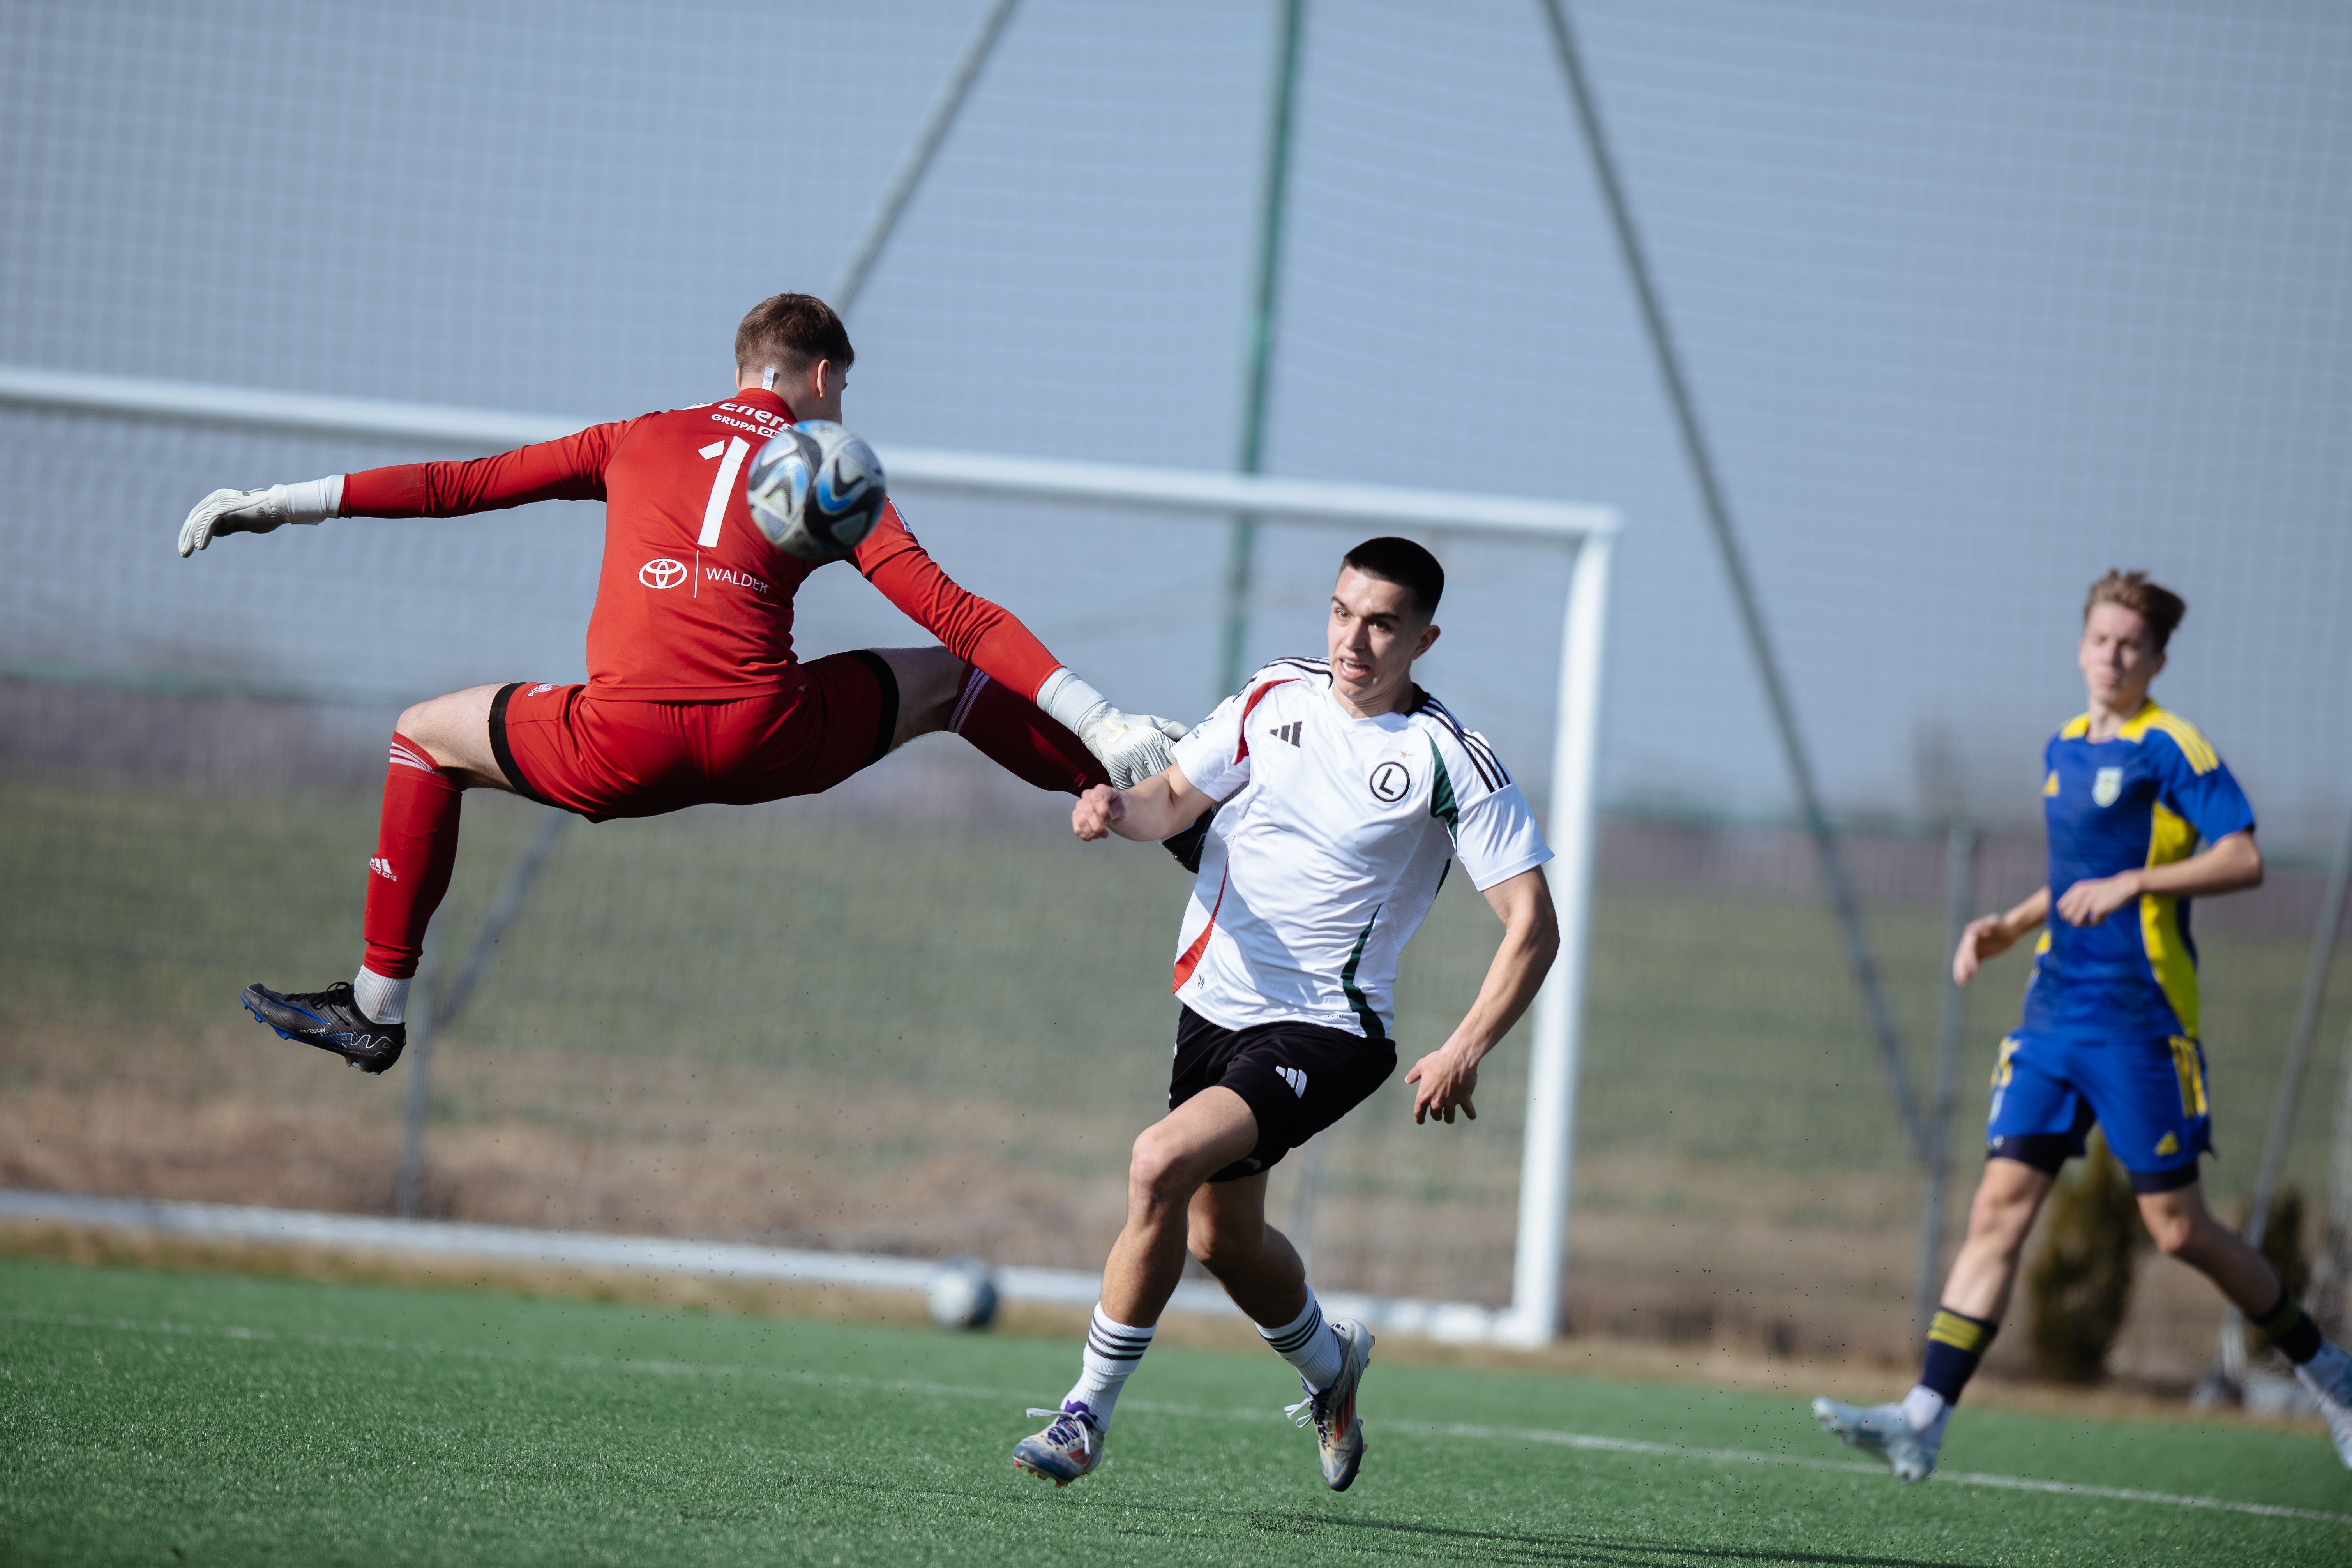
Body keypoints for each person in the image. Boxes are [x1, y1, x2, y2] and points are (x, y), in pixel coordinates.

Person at [177, 293, 1183, 1073]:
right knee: (951, 680)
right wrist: (1100, 717)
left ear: (740, 367)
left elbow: (459, 486)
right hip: (767, 736)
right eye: (843, 393)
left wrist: (283, 504)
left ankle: (375, 1008)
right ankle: (1158, 806)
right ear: (822, 375)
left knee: (421, 735)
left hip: (615, 747)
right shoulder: (823, 466)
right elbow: (954, 611)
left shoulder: (635, 438)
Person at [1011, 537, 1559, 1492]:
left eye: (1383, 622)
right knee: (1224, 1237)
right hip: (1213, 1004)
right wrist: (1113, 806)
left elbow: (1533, 925)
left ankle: (1083, 1412)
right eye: (1344, 612)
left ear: (1425, 637)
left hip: (1331, 1029)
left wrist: (1467, 1044)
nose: (1356, 639)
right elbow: (1175, 796)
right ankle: (1332, 1369)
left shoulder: (1447, 757)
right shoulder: (1274, 695)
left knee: (1158, 1162)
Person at [1813, 570, 2352, 1478]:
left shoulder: (2172, 747)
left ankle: (2332, 1377)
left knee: (2179, 1230)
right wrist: (2013, 923)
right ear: (2080, 645)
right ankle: (1923, 1414)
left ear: (2158, 658)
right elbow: (2080, 873)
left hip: (2141, 1022)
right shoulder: (2062, 747)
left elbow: (2243, 856)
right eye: (2100, 639)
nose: (2113, 656)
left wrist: (2140, 883)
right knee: (1997, 1210)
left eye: (2131, 645)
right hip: (2053, 1014)